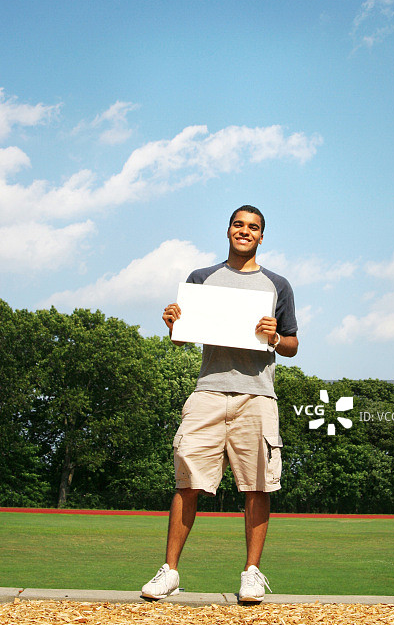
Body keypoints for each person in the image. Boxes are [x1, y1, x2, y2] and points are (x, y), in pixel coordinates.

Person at [141, 205, 298, 603]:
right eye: (238, 225)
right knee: (187, 480)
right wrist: (173, 323)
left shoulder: (277, 284)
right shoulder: (200, 279)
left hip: (258, 394)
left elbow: (293, 345)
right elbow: (182, 338)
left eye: (254, 228)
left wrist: (275, 337)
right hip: (208, 390)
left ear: (262, 237)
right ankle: (170, 571)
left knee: (257, 485)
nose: (245, 231)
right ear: (228, 230)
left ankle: (251, 573)